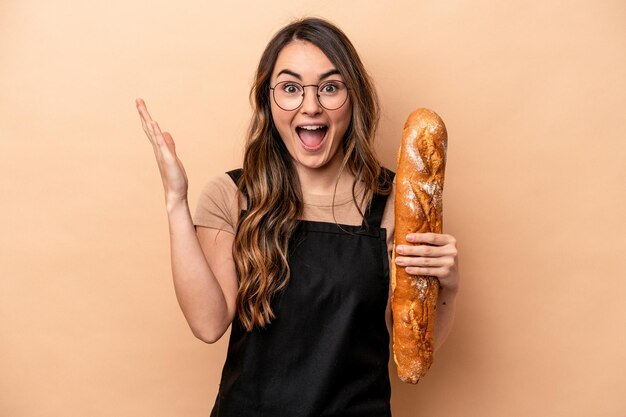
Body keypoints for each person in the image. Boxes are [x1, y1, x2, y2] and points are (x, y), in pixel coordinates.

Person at [136, 17, 459, 417]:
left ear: (352, 97)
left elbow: (408, 353)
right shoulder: (232, 195)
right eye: (290, 88)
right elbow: (208, 323)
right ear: (268, 102)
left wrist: (447, 287)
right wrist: (175, 201)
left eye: (330, 87)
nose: (311, 105)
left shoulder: (394, 201)